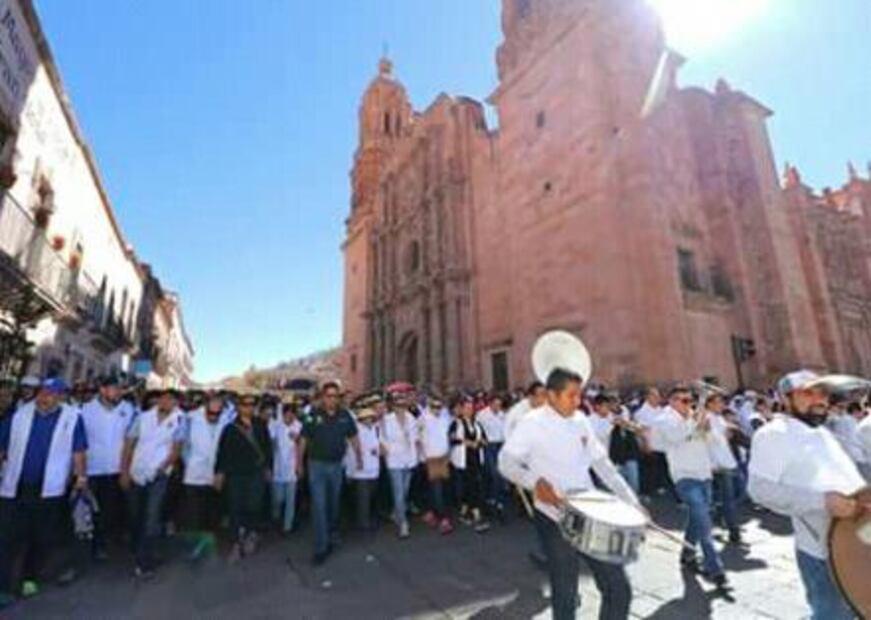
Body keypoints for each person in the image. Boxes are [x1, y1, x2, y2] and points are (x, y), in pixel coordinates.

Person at [499, 368, 642, 620]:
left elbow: (602, 464)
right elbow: (506, 462)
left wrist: (632, 501)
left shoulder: (580, 420)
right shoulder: (531, 423)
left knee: (618, 588)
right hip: (554, 516)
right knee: (566, 592)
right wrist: (533, 482)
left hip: (590, 514)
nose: (578, 401)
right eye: (571, 395)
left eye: (580, 395)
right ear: (551, 395)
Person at [748, 370, 868, 620]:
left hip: (857, 537)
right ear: (787, 398)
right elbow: (759, 490)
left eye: (823, 393)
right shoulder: (772, 434)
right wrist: (822, 501)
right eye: (808, 392)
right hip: (822, 551)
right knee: (832, 615)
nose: (819, 399)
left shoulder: (823, 432)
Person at [0, 378, 87, 608]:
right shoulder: (19, 416)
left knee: (39, 536)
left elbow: (78, 450)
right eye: (42, 392)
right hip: (15, 486)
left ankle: (29, 577)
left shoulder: (72, 417)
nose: (44, 397)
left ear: (60, 396)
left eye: (50, 393)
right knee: (8, 535)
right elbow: (2, 446)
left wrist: (80, 477)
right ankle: (4, 585)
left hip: (50, 488)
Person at [658, 386, 728, 588]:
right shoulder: (665, 420)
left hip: (704, 473)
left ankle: (687, 552)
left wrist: (708, 430)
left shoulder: (696, 417)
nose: (687, 404)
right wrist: (695, 420)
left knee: (698, 518)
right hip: (684, 476)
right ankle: (715, 568)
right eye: (682, 400)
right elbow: (675, 437)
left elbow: (713, 442)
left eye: (689, 400)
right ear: (671, 401)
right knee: (704, 521)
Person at [120, 388, 185, 579]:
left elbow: (176, 450)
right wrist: (124, 471)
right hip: (136, 472)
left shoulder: (180, 421)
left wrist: (162, 467)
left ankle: (145, 560)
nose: (166, 403)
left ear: (175, 403)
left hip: (158, 476)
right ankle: (139, 546)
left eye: (171, 400)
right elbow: (129, 444)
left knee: (152, 516)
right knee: (135, 514)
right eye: (163, 399)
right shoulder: (142, 417)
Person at [298, 381, 362, 565]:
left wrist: (358, 457)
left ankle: (332, 531)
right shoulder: (313, 415)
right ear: (323, 397)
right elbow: (303, 440)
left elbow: (353, 437)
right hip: (316, 466)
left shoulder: (345, 416)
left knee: (333, 503)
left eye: (335, 396)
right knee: (319, 505)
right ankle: (321, 547)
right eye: (328, 396)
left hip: (336, 466)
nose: (332, 399)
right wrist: (299, 464)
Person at [79, 375, 136, 560]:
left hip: (117, 469)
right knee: (93, 510)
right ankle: (91, 546)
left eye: (120, 389)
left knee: (111, 510)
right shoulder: (85, 410)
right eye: (114, 388)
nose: (118, 392)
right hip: (93, 469)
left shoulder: (129, 410)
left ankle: (107, 542)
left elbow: (133, 440)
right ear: (102, 390)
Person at [215, 393, 272, 563]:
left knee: (254, 505)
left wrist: (268, 468)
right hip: (236, 474)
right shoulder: (230, 428)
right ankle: (235, 543)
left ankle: (251, 533)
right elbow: (223, 452)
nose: (249, 407)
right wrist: (220, 472)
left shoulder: (261, 425)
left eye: (252, 404)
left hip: (256, 473)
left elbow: (268, 448)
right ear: (239, 407)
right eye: (245, 404)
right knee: (235, 507)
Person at [181, 392, 228, 560]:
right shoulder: (190, 419)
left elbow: (226, 449)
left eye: (218, 413)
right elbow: (183, 444)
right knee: (194, 512)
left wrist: (221, 472)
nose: (214, 416)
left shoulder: (226, 421)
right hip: (194, 473)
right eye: (211, 413)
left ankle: (205, 543)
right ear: (205, 408)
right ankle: (194, 546)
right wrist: (189, 462)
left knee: (211, 512)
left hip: (214, 474)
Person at [704, 392, 743, 544]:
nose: (722, 405)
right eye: (718, 402)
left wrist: (730, 430)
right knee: (729, 499)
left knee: (740, 491)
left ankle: (718, 514)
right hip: (719, 464)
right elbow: (708, 442)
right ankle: (734, 531)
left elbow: (725, 435)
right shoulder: (706, 419)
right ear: (709, 404)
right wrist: (712, 465)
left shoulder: (719, 418)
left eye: (722, 402)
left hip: (729, 461)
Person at [449, 394, 490, 533]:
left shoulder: (477, 424)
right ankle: (477, 515)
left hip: (476, 458)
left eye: (471, 408)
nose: (469, 410)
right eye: (466, 408)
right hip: (464, 459)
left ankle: (464, 511)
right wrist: (467, 442)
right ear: (461, 409)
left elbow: (484, 439)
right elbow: (452, 439)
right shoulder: (457, 423)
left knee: (471, 486)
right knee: (472, 486)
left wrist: (481, 442)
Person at [381, 390, 419, 539]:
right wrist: (386, 450)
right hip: (394, 459)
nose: (401, 408)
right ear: (393, 407)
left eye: (403, 406)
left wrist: (411, 438)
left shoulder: (411, 419)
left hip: (409, 459)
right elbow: (382, 439)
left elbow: (415, 438)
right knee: (398, 491)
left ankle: (396, 511)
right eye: (398, 406)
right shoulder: (387, 420)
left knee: (404, 490)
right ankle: (403, 523)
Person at [417, 395, 453, 534]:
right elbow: (418, 439)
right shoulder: (423, 419)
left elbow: (448, 435)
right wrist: (423, 456)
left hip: (443, 457)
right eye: (434, 407)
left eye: (440, 407)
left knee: (442, 488)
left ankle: (432, 511)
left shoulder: (445, 418)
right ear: (429, 407)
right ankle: (443, 519)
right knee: (436, 488)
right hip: (430, 458)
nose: (437, 409)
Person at [269, 400, 303, 535]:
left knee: (290, 499)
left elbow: (303, 445)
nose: (289, 417)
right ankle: (276, 517)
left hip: (292, 467)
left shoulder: (299, 426)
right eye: (286, 415)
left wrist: (298, 440)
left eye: (291, 415)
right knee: (278, 498)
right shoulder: (276, 425)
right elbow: (271, 443)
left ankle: (287, 526)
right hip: (278, 467)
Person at [345, 407, 381, 531]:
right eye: (366, 418)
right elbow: (354, 449)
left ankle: (367, 520)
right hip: (361, 469)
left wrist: (377, 451)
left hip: (373, 468)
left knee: (371, 496)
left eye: (371, 418)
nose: (369, 420)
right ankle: (363, 524)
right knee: (363, 498)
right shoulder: (357, 431)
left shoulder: (374, 430)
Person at [477, 394, 509, 515]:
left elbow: (505, 430)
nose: (497, 407)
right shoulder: (482, 415)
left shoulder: (503, 415)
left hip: (501, 445)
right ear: (489, 404)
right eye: (495, 405)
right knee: (493, 473)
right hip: (489, 446)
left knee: (499, 473)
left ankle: (496, 499)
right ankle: (492, 498)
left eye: (499, 405)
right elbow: (477, 429)